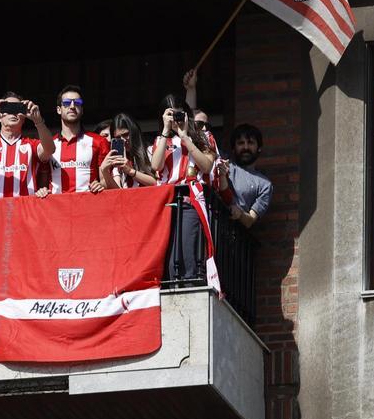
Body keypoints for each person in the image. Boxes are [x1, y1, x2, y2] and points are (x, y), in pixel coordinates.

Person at [150, 94, 216, 281]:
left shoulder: (204, 137)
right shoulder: (161, 140)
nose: (174, 119)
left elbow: (207, 166)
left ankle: (187, 287)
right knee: (168, 257)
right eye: (170, 115)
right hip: (166, 204)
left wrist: (185, 136)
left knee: (186, 255)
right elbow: (156, 165)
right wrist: (165, 129)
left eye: (178, 114)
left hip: (191, 202)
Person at [0, 92, 55, 199]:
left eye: (18, 109)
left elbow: (50, 150)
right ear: (0, 117)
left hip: (24, 212)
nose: (13, 113)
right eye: (8, 109)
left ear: (24, 118)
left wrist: (38, 121)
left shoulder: (31, 145)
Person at [43, 84, 112, 195]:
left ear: (82, 109)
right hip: (56, 209)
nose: (72, 106)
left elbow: (106, 180)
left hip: (88, 207)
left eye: (77, 103)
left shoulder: (99, 142)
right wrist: (43, 190)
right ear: (58, 110)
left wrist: (101, 185)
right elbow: (42, 183)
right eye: (66, 103)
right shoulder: (48, 145)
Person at [216, 124, 273, 229]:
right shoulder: (222, 161)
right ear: (233, 148)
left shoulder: (265, 185)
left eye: (250, 143)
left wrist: (240, 214)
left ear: (259, 148)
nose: (246, 147)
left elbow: (250, 220)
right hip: (211, 224)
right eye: (241, 143)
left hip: (234, 237)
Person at [104, 113, 157, 189]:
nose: (123, 140)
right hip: (128, 199)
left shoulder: (149, 150)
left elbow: (156, 183)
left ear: (134, 132)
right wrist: (104, 171)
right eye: (118, 137)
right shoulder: (117, 158)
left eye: (126, 134)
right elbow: (118, 191)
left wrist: (130, 171)